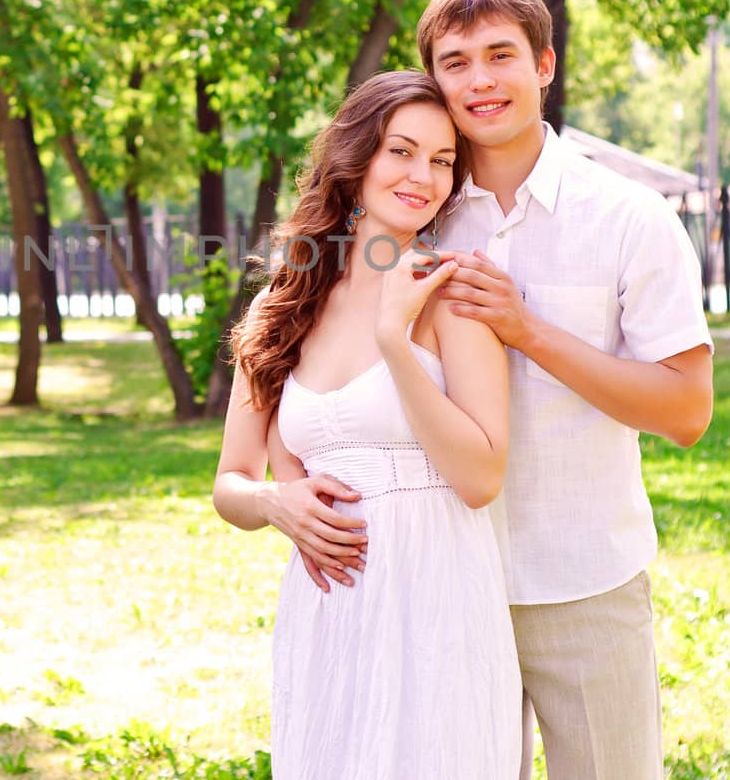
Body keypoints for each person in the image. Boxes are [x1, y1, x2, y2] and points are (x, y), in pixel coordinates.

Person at [419, 0, 715, 779]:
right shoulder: (416, 219)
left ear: (544, 65)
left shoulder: (628, 218)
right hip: (450, 581)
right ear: (434, 80)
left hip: (586, 579)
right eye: (455, 62)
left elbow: (688, 409)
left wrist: (527, 331)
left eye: (500, 55)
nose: (479, 80)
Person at [213, 70, 522, 779]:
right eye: (402, 152)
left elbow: (481, 476)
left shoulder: (450, 289)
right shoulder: (280, 304)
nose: (424, 176)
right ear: (355, 161)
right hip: (332, 607)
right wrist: (273, 503)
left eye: (443, 160)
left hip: (437, 595)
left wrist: (395, 340)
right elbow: (231, 480)